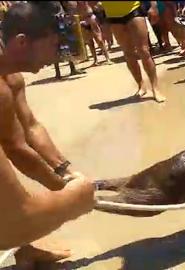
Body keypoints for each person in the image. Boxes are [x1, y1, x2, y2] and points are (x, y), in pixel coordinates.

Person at [0, 2, 95, 267]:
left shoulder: (10, 78)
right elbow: (18, 221)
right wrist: (75, 200)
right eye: (52, 45)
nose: (56, 56)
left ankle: (26, 251)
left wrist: (63, 176)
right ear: (21, 42)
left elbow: (20, 139)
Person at [102, 1, 166, 102]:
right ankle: (141, 85)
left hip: (133, 10)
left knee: (144, 51)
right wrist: (103, 23)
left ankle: (155, 88)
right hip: (112, 16)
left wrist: (153, 6)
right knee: (128, 53)